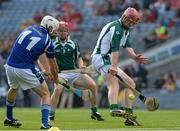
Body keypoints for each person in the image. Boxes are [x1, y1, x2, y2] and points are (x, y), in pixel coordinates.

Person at [91, 7, 148, 126]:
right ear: (124, 17)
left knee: (131, 84)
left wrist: (134, 56)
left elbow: (127, 45)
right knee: (113, 82)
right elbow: (115, 50)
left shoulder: (125, 29)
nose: (131, 24)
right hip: (101, 57)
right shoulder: (116, 28)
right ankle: (113, 107)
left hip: (106, 58)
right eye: (130, 21)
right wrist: (114, 66)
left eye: (133, 22)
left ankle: (128, 116)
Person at [3, 15, 59, 129]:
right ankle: (45, 124)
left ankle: (9, 118)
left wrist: (45, 70)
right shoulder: (48, 42)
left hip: (9, 65)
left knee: (13, 88)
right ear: (49, 27)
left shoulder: (30, 28)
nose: (55, 32)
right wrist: (56, 78)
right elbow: (53, 66)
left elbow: (38, 53)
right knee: (46, 94)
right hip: (25, 68)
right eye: (55, 29)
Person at [48, 21, 104, 122]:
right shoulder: (52, 44)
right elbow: (50, 60)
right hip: (61, 74)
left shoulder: (73, 44)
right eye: (60, 31)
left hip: (74, 73)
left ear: (68, 32)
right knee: (57, 90)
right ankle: (51, 114)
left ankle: (94, 112)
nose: (62, 33)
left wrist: (81, 66)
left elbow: (79, 58)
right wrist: (52, 72)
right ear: (57, 32)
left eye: (64, 31)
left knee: (93, 86)